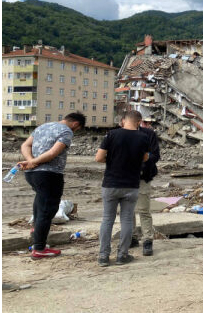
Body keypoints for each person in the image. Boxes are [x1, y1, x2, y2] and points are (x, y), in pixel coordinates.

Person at [19, 112, 86, 259]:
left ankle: (37, 231)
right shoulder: (66, 131)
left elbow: (25, 145)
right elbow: (52, 153)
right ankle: (39, 249)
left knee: (40, 201)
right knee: (47, 209)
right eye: (78, 129)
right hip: (50, 174)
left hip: (32, 174)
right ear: (76, 124)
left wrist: (30, 161)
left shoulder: (42, 127)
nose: (76, 131)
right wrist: (33, 162)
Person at [95, 110, 149, 267]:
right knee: (126, 220)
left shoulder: (112, 134)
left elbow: (98, 158)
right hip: (131, 185)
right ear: (139, 122)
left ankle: (103, 256)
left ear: (124, 120)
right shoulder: (143, 137)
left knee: (107, 219)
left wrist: (113, 159)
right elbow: (145, 157)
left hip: (111, 184)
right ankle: (122, 255)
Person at [130, 120, 160, 256]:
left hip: (143, 177)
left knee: (143, 210)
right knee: (127, 211)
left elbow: (155, 155)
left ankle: (147, 240)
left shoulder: (149, 134)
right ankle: (131, 237)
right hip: (125, 178)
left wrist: (142, 158)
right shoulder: (118, 134)